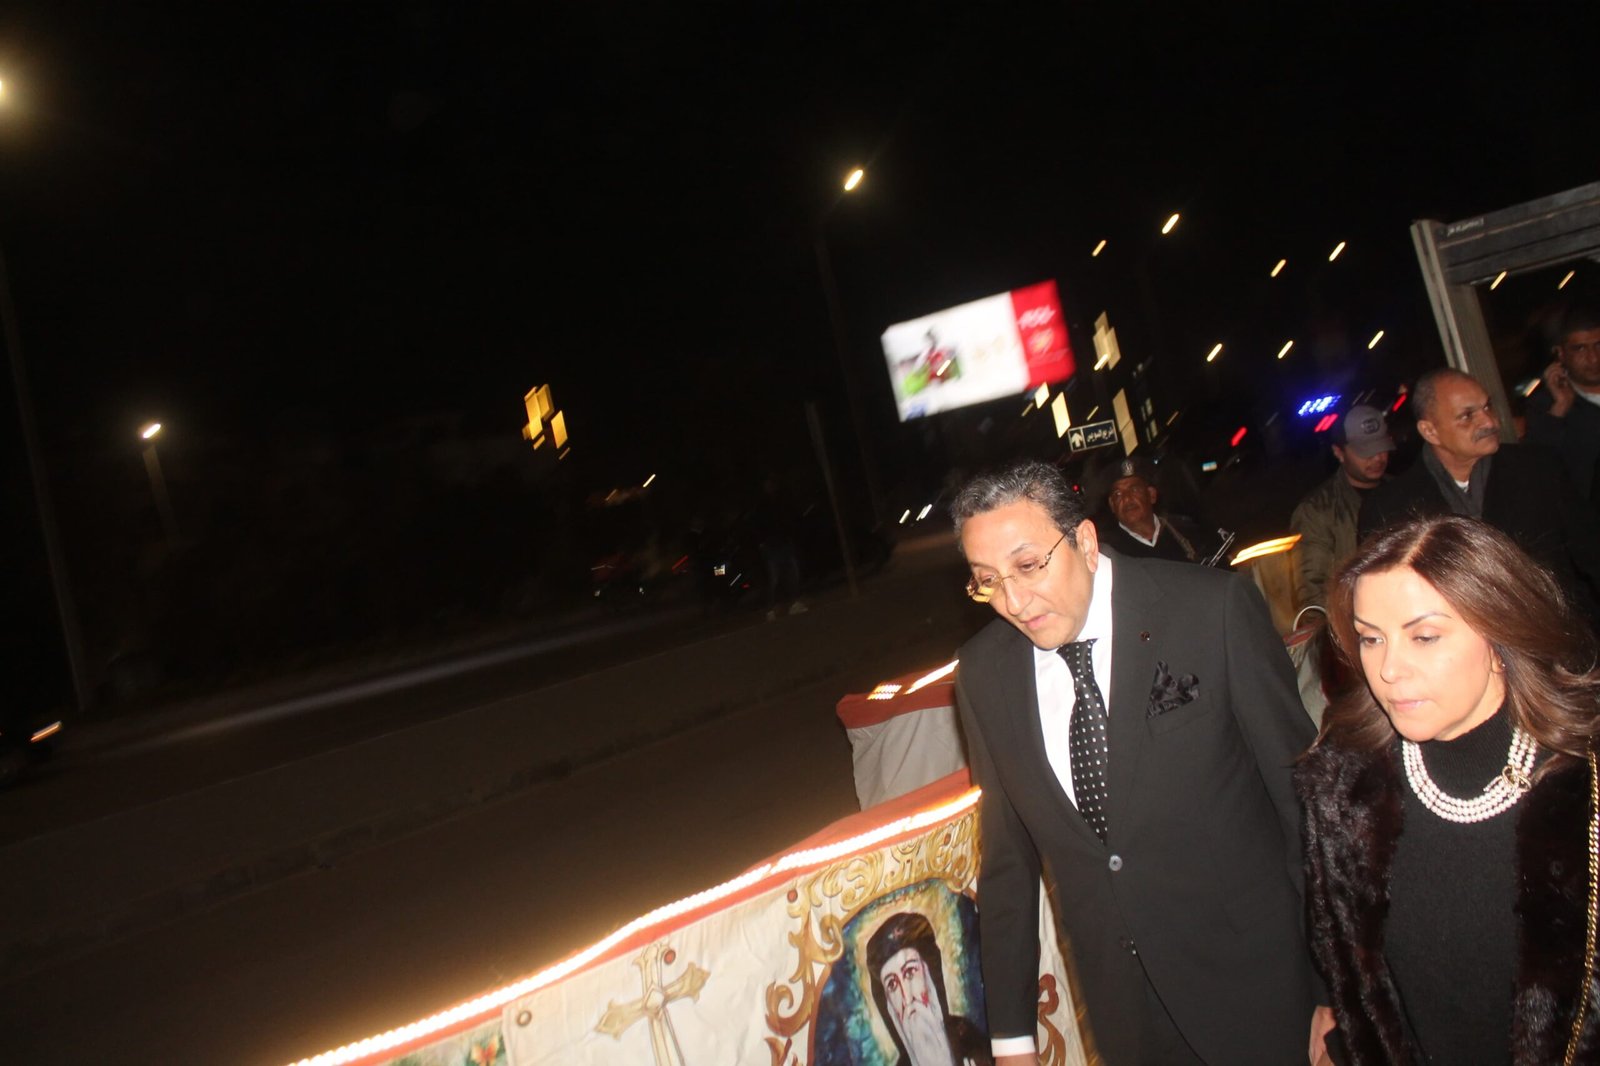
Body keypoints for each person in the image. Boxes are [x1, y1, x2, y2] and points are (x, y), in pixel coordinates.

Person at [950, 460, 1320, 1065]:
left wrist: (1334, 985)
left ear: (1084, 542)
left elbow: (1304, 805)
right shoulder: (985, 673)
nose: (1013, 601)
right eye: (987, 581)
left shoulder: (1210, 609)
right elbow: (1008, 866)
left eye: (1029, 565)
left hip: (1263, 992)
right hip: (1125, 1017)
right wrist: (1012, 1038)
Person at [1297, 515, 1600, 1065]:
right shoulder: (1344, 788)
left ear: (1501, 635)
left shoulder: (1585, 786)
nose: (1389, 669)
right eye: (1371, 638)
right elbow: (1353, 973)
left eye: (1425, 636)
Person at [1359, 367, 1600, 621]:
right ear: (1430, 431)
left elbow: (1592, 553)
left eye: (1488, 407)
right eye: (1467, 416)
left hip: (1554, 633)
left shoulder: (1538, 470)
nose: (1489, 422)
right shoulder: (1390, 508)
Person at [1290, 404, 1396, 609]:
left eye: (1381, 447)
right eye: (1365, 451)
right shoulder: (1318, 510)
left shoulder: (1405, 491)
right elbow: (1312, 589)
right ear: (1339, 452)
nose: (1377, 458)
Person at [867, 912, 993, 1066]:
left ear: (930, 975)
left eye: (910, 972)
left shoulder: (972, 1042)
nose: (907, 997)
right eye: (892, 984)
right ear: (889, 1007)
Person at [1527, 303, 1600, 502]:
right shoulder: (1546, 405)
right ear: (1560, 353)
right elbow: (1537, 467)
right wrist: (1559, 409)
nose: (1593, 358)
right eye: (1580, 349)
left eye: (1598, 345)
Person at [1095, 457, 1219, 565]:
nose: (1127, 498)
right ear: (1112, 505)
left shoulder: (1186, 532)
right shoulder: (1106, 552)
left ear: (1151, 495)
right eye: (1118, 494)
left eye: (1134, 490)